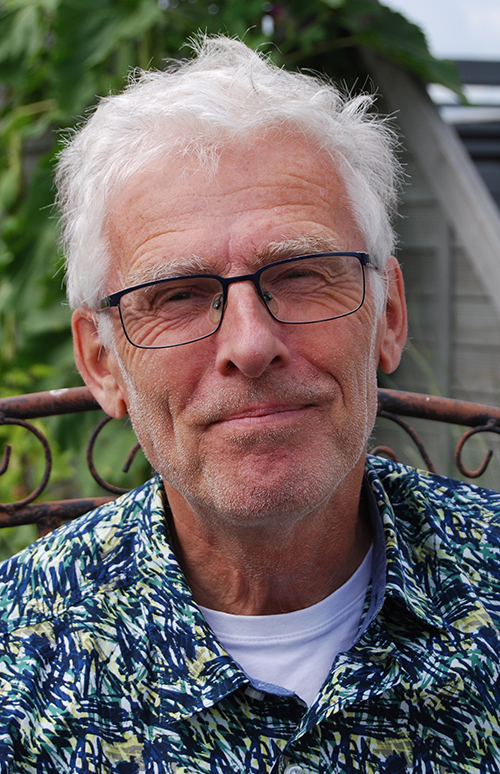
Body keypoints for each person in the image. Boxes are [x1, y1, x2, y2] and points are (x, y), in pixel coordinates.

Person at [0, 35, 499, 774]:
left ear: (389, 316)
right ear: (103, 362)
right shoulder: (16, 658)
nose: (251, 343)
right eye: (177, 294)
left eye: (301, 273)